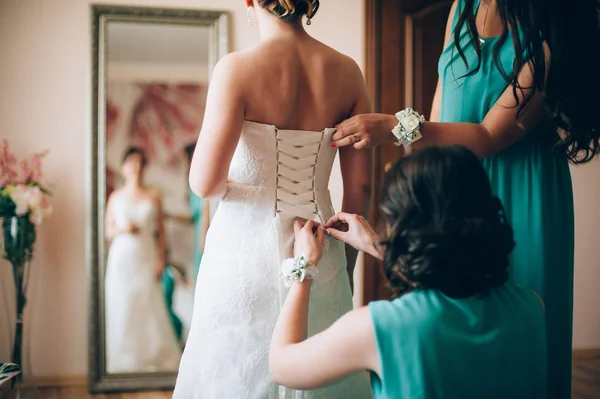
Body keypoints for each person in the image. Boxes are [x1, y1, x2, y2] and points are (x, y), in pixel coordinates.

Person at [331, 1, 600, 397]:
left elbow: (489, 136)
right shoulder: (462, 7)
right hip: (454, 185)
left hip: (525, 193)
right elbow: (436, 117)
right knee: (447, 315)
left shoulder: (553, 29)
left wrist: (394, 127)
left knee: (521, 323)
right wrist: (418, 189)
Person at [172, 0, 373, 397]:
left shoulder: (236, 69)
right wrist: (345, 265)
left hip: (244, 249)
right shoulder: (348, 72)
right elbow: (359, 191)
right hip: (323, 244)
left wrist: (255, 188)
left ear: (250, 1)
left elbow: (205, 184)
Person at [270, 145, 547, 399]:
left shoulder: (380, 327)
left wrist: (304, 267)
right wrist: (377, 245)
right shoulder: (530, 308)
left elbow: (282, 366)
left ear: (403, 229)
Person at [104, 147, 181, 373]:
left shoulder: (153, 196)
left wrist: (161, 260)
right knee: (123, 305)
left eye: (140, 163)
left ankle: (152, 358)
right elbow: (108, 231)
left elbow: (161, 232)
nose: (135, 168)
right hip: (121, 259)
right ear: (123, 168)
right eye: (131, 163)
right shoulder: (115, 197)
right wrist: (123, 228)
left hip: (145, 256)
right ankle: (123, 360)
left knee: (148, 304)